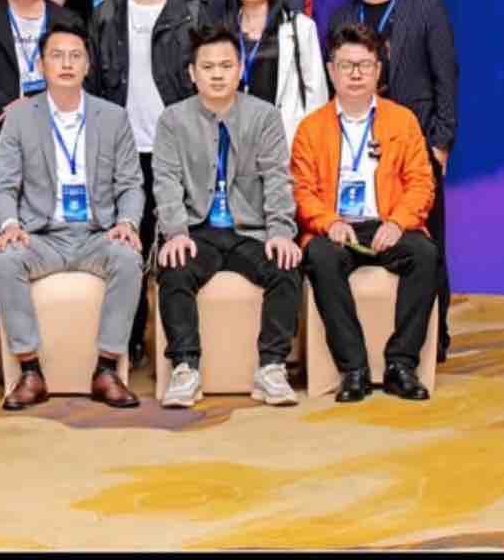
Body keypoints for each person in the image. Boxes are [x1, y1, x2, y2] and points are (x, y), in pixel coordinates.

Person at [0, 25, 144, 408]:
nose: (66, 64)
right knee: (7, 259)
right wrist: (10, 225)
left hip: (97, 234)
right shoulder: (21, 117)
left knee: (128, 257)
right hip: (41, 236)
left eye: (75, 56)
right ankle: (30, 372)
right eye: (56, 55)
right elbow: (2, 186)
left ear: (88, 65)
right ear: (41, 65)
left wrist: (127, 222)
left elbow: (131, 184)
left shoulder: (113, 117)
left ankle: (106, 369)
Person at [146, 31, 301, 408]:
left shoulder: (264, 116)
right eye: (208, 67)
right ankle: (185, 368)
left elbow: (277, 178)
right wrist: (175, 232)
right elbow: (165, 181)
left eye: (226, 66)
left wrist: (281, 232)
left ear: (240, 69)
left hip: (250, 231)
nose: (217, 74)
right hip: (197, 231)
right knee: (175, 268)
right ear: (192, 73)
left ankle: (272, 367)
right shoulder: (173, 120)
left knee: (286, 266)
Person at [293, 31, 441, 401]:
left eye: (364, 65)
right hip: (336, 226)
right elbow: (301, 190)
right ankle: (354, 369)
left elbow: (421, 184)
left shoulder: (402, 121)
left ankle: (401, 365)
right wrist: (329, 222)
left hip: (387, 223)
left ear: (378, 71)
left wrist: (397, 223)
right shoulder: (311, 128)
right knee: (320, 257)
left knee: (425, 255)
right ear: (331, 71)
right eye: (346, 65)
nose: (356, 74)